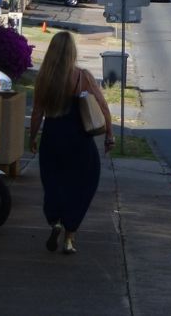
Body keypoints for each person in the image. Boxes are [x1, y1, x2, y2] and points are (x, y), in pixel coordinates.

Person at [28, 31, 114, 255]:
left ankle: (55, 220)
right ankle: (69, 238)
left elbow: (37, 112)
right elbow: (103, 106)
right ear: (72, 52)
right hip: (79, 140)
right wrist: (109, 134)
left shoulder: (44, 78)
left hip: (52, 137)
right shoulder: (82, 76)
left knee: (54, 182)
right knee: (83, 184)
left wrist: (32, 138)